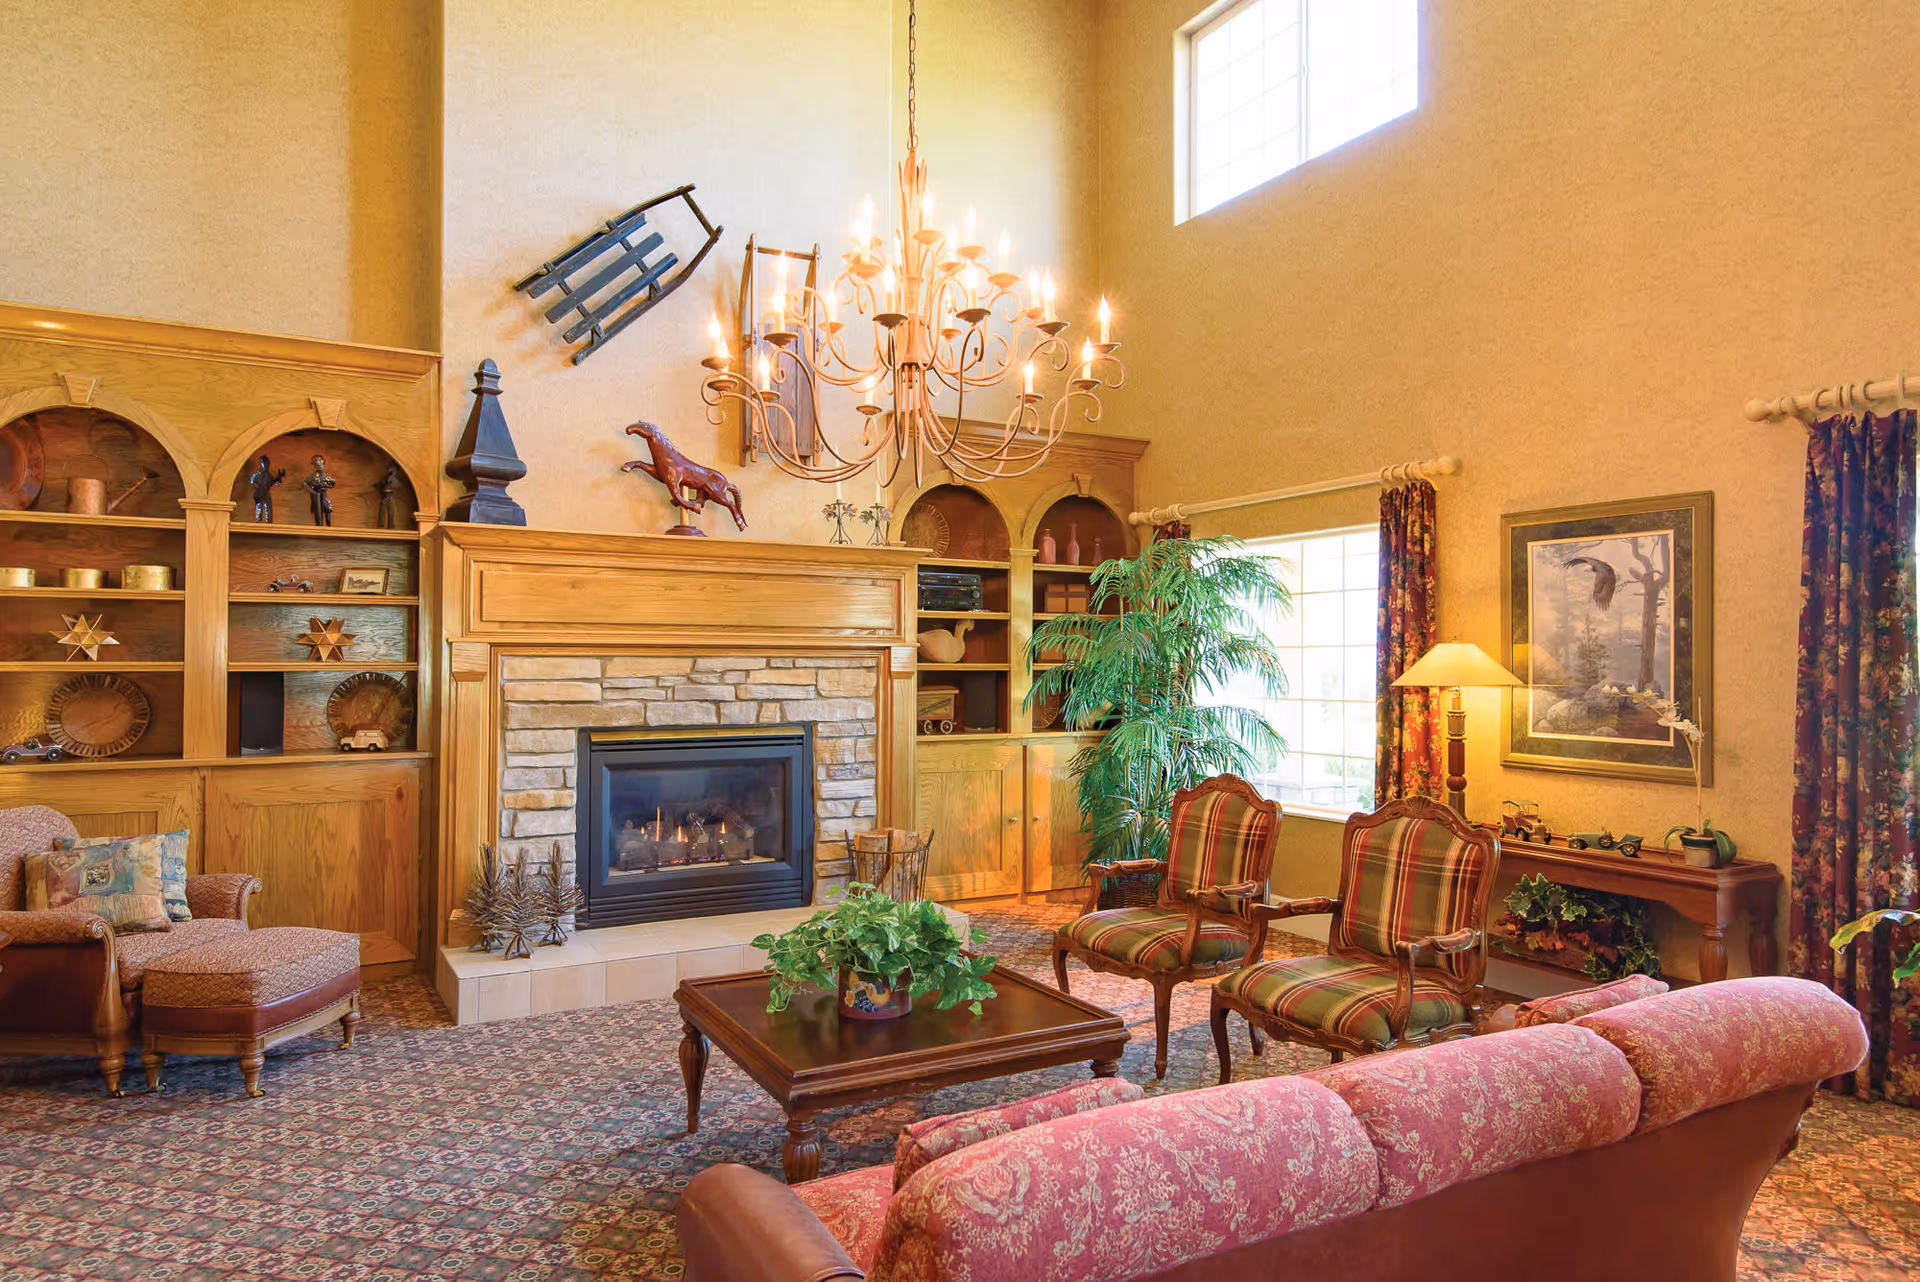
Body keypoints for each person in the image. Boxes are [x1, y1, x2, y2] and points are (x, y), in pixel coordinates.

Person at [245, 454, 285, 523]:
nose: (266, 465)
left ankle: (269, 522)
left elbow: (275, 483)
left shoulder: (269, 475)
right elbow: (252, 482)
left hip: (266, 492)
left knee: (268, 508)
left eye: (267, 463)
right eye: (264, 463)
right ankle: (258, 522)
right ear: (262, 464)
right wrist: (257, 486)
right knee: (259, 508)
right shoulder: (257, 474)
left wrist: (279, 478)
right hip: (259, 493)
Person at [303, 455, 336, 527]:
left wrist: (331, 482)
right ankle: (320, 527)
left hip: (324, 495)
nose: (320, 465)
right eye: (318, 464)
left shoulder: (325, 476)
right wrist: (312, 492)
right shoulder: (313, 476)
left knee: (328, 510)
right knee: (319, 513)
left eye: (322, 463)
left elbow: (332, 483)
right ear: (315, 466)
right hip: (317, 496)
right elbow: (305, 484)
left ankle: (329, 527)